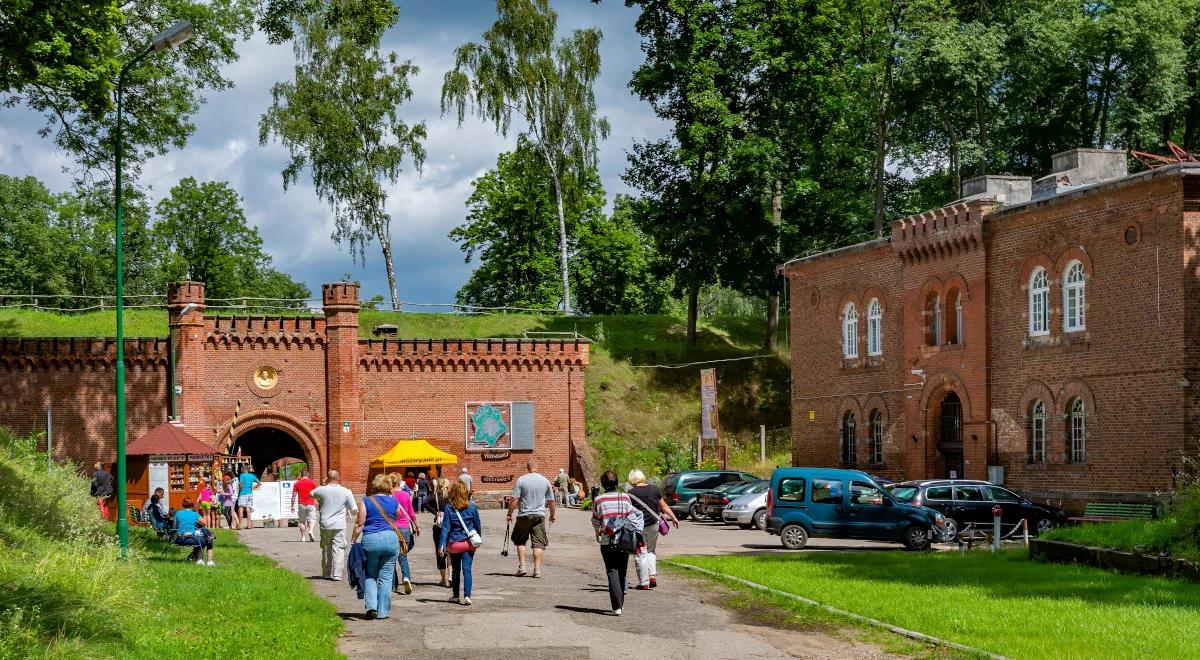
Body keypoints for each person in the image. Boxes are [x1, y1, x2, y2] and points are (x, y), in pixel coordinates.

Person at [591, 470, 644, 616]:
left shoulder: (599, 500)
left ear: (603, 484)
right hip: (624, 539)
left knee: (611, 571)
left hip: (607, 540)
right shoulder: (625, 497)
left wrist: (597, 534)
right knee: (622, 570)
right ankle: (620, 604)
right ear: (616, 482)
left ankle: (617, 606)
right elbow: (631, 518)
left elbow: (596, 520)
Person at [353, 474, 402, 620]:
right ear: (388, 486)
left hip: (371, 541)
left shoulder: (367, 501)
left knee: (370, 574)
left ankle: (371, 607)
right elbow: (398, 516)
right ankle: (383, 612)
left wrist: (353, 540)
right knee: (387, 577)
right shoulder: (394, 501)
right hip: (390, 539)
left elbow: (360, 523)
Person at [626, 469, 679, 590]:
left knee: (640, 553)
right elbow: (663, 506)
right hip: (653, 524)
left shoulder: (630, 493)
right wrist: (673, 517)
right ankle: (652, 576)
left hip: (638, 526)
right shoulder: (654, 489)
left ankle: (644, 582)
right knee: (651, 550)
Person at [507, 459, 555, 578]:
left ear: (527, 467)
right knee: (538, 543)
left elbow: (514, 499)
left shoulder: (521, 480)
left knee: (520, 541)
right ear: (537, 467)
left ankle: (522, 567)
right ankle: (537, 570)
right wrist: (553, 515)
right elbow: (551, 501)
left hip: (524, 515)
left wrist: (509, 514)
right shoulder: (545, 481)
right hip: (539, 515)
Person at [439, 480, 482, 606]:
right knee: (467, 570)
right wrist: (477, 540)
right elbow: (477, 525)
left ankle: (455, 595)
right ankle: (467, 596)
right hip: (469, 543)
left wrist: (441, 544)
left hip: (454, 544)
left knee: (456, 571)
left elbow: (445, 528)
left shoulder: (448, 508)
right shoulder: (472, 506)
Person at [311, 470, 358, 581]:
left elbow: (311, 494)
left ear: (327, 478)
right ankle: (337, 574)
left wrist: (322, 485)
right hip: (339, 524)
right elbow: (354, 509)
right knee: (339, 548)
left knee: (326, 548)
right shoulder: (346, 491)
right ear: (339, 477)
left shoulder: (321, 489)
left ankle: (326, 573)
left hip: (325, 524)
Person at [389, 473, 421, 595]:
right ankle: (406, 577)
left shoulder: (389, 496)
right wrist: (417, 526)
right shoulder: (406, 495)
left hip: (392, 528)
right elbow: (411, 513)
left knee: (391, 557)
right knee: (403, 556)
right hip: (405, 528)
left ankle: (393, 584)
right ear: (399, 482)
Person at [421, 477, 451, 587]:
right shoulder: (451, 496)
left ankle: (444, 579)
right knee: (450, 552)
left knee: (440, 551)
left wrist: (436, 512)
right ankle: (451, 576)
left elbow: (424, 503)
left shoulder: (435, 496)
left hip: (439, 526)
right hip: (451, 526)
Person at [173, 497, 215, 566]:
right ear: (192, 505)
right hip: (193, 539)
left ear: (183, 505)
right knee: (207, 538)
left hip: (179, 539)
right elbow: (204, 523)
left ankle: (195, 558)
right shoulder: (194, 514)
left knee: (200, 537)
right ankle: (204, 560)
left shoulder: (178, 513)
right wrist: (196, 522)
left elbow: (175, 526)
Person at [290, 470, 319, 543]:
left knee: (302, 521)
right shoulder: (312, 483)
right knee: (312, 519)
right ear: (308, 474)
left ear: (301, 475)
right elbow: (316, 493)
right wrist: (318, 502)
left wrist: (292, 506)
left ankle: (303, 537)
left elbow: (293, 496)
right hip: (310, 504)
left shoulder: (297, 484)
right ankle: (311, 531)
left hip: (301, 504)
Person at [236, 465, 260, 530]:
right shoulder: (252, 476)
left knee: (241, 509)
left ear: (243, 469)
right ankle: (249, 525)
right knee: (248, 509)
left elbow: (241, 485)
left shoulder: (242, 475)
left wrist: (238, 488)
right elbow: (259, 483)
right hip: (250, 494)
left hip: (243, 494)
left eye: (241, 469)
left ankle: (240, 525)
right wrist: (253, 488)